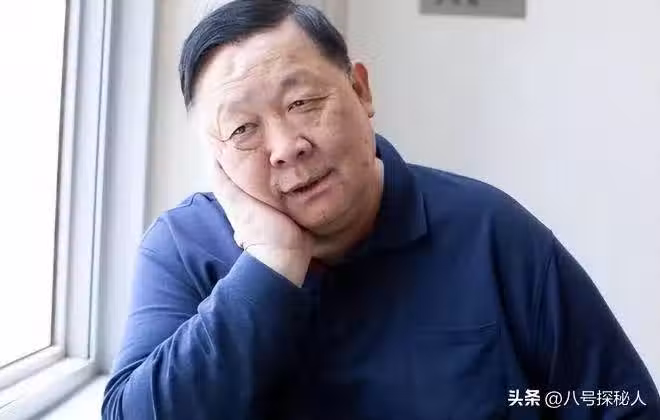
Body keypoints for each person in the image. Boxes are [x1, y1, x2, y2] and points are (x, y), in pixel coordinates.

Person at [102, 1, 660, 418]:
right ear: (216, 155)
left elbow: (619, 401)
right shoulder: (184, 247)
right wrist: (270, 265)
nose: (287, 146)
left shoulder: (490, 230)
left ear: (361, 91)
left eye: (302, 102)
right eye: (243, 129)